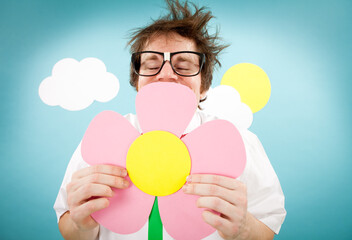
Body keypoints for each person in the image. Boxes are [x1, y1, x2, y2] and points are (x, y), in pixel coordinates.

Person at [54, 0, 286, 239]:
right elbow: (68, 222)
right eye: (151, 64)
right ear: (137, 81)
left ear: (203, 86)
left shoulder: (239, 142)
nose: (166, 75)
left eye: (183, 65)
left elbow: (268, 222)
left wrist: (245, 229)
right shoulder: (104, 137)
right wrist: (81, 225)